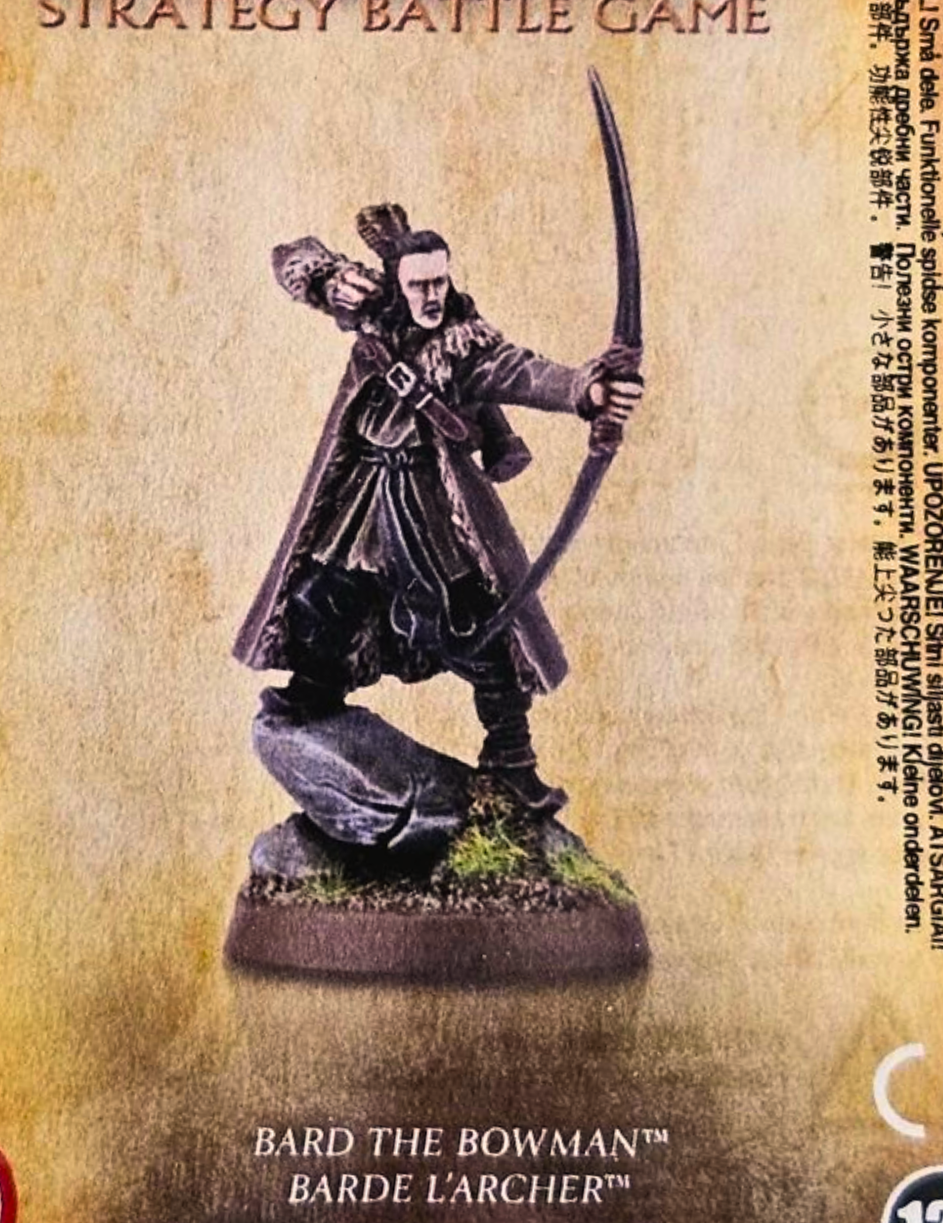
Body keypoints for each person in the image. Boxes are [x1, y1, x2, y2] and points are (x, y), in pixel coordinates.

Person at [233, 204, 642, 813]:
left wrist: (589, 389)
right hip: (361, 495)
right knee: (321, 598)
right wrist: (327, 278)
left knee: (474, 624)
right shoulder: (373, 312)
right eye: (419, 284)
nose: (431, 295)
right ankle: (313, 696)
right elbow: (289, 259)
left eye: (439, 281)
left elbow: (521, 371)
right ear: (396, 284)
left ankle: (511, 761)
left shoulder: (463, 344)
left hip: (427, 505)